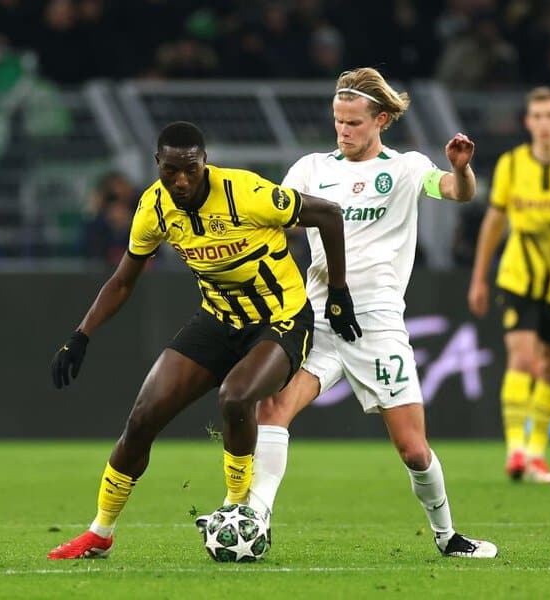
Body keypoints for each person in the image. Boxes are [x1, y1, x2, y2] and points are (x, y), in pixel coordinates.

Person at [210, 67, 497, 559]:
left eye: (354, 123)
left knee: (413, 450)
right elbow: (276, 220)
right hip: (318, 317)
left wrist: (462, 169)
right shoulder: (310, 169)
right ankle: (255, 517)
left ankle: (448, 535)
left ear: (380, 119)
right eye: (338, 121)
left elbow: (457, 191)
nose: (343, 131)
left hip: (377, 323)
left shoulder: (406, 168)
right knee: (272, 409)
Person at [47, 121, 360, 559]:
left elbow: (328, 214)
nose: (180, 180)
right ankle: (100, 532)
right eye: (170, 170)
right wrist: (81, 335)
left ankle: (235, 508)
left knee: (236, 397)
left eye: (190, 170)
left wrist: (338, 292)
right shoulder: (154, 208)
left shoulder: (246, 193)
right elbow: (122, 281)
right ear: (157, 165)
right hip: (218, 319)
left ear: (204, 163)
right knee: (142, 419)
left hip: (280, 319)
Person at [467, 87, 550, 483]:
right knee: (523, 359)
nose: (544, 123)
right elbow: (494, 224)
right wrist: (479, 278)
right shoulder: (511, 165)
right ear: (528, 122)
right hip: (519, 276)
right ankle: (515, 450)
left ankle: (537, 453)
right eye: (537, 116)